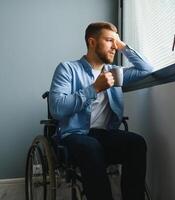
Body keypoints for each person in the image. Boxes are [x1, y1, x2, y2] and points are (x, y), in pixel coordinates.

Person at [49, 22, 153, 200]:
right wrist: (94, 89)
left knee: (137, 143)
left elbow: (147, 69)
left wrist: (123, 46)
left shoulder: (115, 73)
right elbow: (57, 108)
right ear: (92, 42)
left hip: (106, 134)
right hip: (76, 135)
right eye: (109, 40)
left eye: (116, 42)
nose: (114, 46)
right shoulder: (67, 69)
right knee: (91, 147)